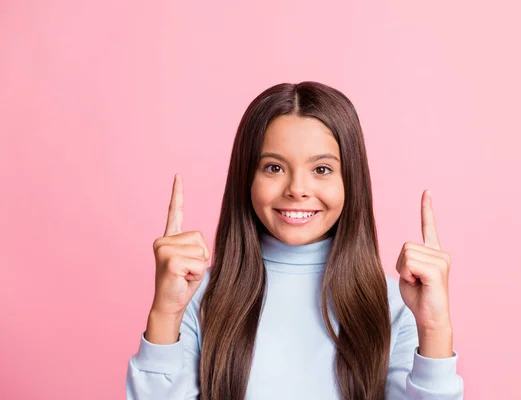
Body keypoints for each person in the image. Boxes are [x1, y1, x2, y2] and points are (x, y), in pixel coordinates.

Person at [126, 81, 465, 399]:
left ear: (351, 181)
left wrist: (434, 327)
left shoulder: (397, 307)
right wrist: (165, 313)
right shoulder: (196, 298)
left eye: (321, 170)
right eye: (274, 167)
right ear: (247, 178)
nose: (297, 189)